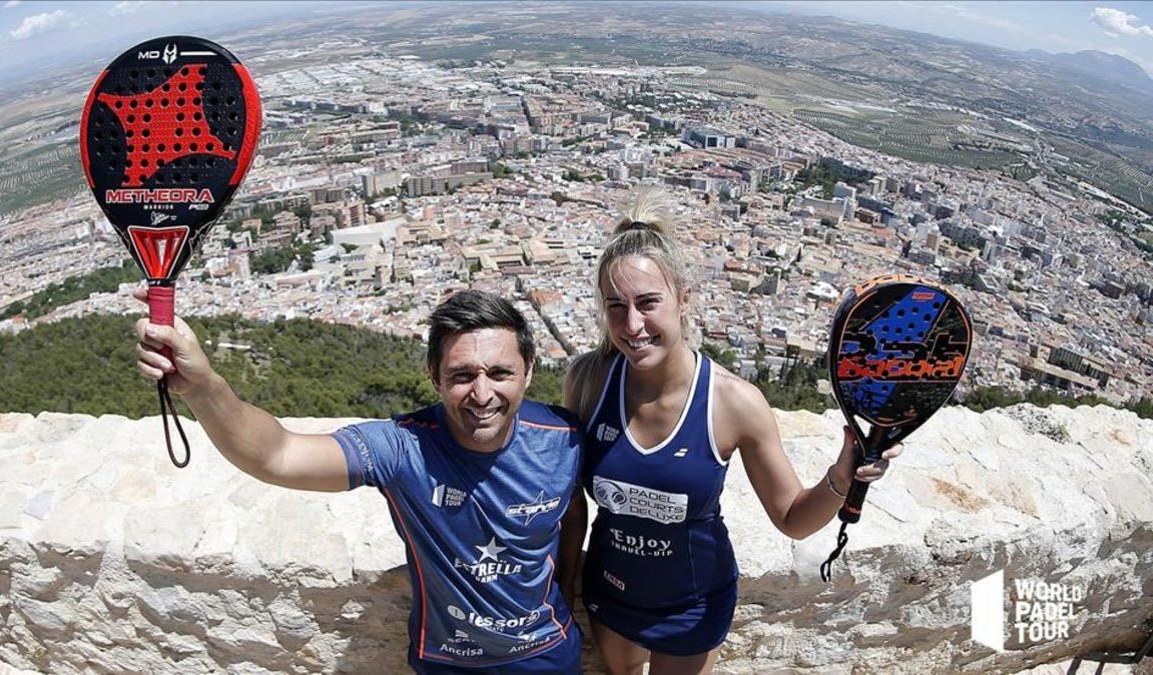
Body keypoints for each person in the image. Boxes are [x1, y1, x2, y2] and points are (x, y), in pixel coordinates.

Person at [134, 289, 583, 674]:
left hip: (545, 653)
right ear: (434, 377)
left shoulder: (562, 439)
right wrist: (203, 386)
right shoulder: (402, 449)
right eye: (462, 375)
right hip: (449, 661)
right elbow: (276, 454)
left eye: (500, 373)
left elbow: (573, 514)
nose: (482, 394)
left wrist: (566, 590)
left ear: (528, 369)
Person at [559, 188, 902, 675]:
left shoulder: (732, 402)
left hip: (692, 605)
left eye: (648, 303)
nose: (632, 324)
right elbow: (570, 504)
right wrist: (560, 590)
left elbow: (792, 518)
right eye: (616, 306)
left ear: (684, 299)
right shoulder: (590, 381)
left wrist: (842, 479)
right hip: (609, 592)